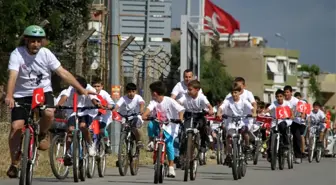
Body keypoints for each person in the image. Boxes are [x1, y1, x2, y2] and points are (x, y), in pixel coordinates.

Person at [5, 25, 95, 178]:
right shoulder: (17, 54)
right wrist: (9, 95)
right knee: (16, 127)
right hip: (22, 94)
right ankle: (14, 163)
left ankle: (42, 133)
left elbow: (62, 73)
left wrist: (81, 89)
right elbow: (13, 75)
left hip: (42, 92)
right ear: (26, 40)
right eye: (33, 41)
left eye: (39, 41)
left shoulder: (46, 54)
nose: (36, 44)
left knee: (48, 112)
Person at [142, 81, 185, 178]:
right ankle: (151, 141)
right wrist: (145, 115)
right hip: (158, 124)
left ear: (155, 93)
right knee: (150, 125)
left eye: (151, 91)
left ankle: (171, 167)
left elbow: (181, 109)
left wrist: (180, 118)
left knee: (169, 145)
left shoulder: (169, 101)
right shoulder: (153, 102)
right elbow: (148, 109)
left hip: (171, 125)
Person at [57, 76, 101, 165]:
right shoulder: (71, 88)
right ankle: (68, 152)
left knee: (83, 126)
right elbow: (65, 96)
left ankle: (90, 144)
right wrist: (59, 105)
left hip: (87, 111)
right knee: (70, 129)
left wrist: (97, 104)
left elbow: (93, 99)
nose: (79, 92)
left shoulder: (89, 88)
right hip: (73, 111)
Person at [217, 82, 255, 164]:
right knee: (229, 137)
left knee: (245, 132)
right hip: (232, 122)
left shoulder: (243, 100)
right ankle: (229, 154)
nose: (234, 94)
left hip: (242, 121)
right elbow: (221, 107)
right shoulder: (228, 100)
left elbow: (252, 108)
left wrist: (254, 113)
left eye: (236, 92)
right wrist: (219, 113)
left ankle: (247, 147)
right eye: (232, 92)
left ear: (239, 92)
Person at [177, 80, 214, 157]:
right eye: (188, 89)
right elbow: (179, 102)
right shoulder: (185, 95)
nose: (188, 91)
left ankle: (203, 144)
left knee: (203, 127)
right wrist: (177, 104)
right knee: (184, 131)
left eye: (190, 89)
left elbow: (209, 106)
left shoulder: (202, 97)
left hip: (199, 115)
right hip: (188, 115)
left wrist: (210, 110)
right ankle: (182, 150)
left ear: (197, 90)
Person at [264, 89, 294, 162]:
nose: (279, 98)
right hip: (275, 121)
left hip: (284, 120)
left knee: (283, 127)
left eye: (281, 96)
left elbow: (291, 112)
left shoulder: (287, 103)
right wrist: (263, 112)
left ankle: (285, 143)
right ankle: (270, 151)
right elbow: (268, 109)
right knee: (271, 134)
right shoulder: (274, 103)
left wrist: (291, 116)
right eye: (277, 96)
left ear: (283, 97)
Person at [113, 83, 145, 147]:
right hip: (126, 116)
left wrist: (141, 109)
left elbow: (141, 103)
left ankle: (139, 141)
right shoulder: (123, 98)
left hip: (136, 115)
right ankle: (124, 140)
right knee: (124, 127)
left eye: (133, 91)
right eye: (129, 91)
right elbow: (117, 105)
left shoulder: (138, 97)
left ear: (135, 91)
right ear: (126, 92)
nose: (131, 93)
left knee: (136, 127)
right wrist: (114, 111)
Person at [91, 77, 115, 154]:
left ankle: (107, 142)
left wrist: (109, 106)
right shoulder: (90, 93)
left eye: (98, 86)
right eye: (94, 86)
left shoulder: (104, 94)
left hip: (105, 115)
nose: (96, 88)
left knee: (101, 129)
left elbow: (111, 103)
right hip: (94, 115)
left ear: (102, 86)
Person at [284, 85, 306, 163]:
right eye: (285, 92)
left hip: (295, 121)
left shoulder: (296, 101)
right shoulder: (282, 100)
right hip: (284, 120)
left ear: (291, 93)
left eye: (287, 92)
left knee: (297, 137)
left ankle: (298, 156)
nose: (286, 94)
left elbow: (302, 108)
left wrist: (302, 114)